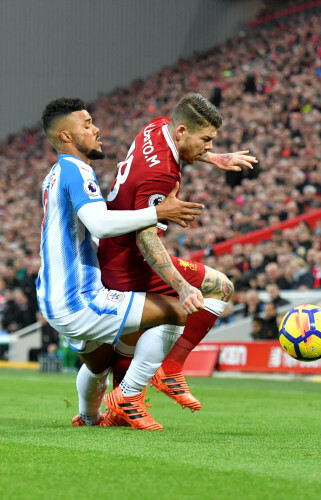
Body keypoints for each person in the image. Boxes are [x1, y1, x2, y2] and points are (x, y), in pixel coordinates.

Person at [36, 97, 206, 430]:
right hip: (78, 300)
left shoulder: (55, 174)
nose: (96, 129)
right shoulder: (76, 171)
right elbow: (99, 224)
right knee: (176, 310)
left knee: (99, 364)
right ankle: (128, 396)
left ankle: (87, 417)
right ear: (66, 137)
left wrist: (208, 154)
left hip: (52, 295)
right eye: (86, 124)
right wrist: (157, 212)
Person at [98, 93, 257, 427]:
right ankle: (163, 373)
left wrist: (213, 159)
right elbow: (145, 237)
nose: (209, 145)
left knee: (137, 335)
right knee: (217, 289)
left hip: (112, 249)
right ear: (183, 130)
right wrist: (182, 287)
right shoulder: (162, 175)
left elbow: (175, 153)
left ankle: (119, 407)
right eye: (207, 140)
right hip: (129, 258)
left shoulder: (155, 128)